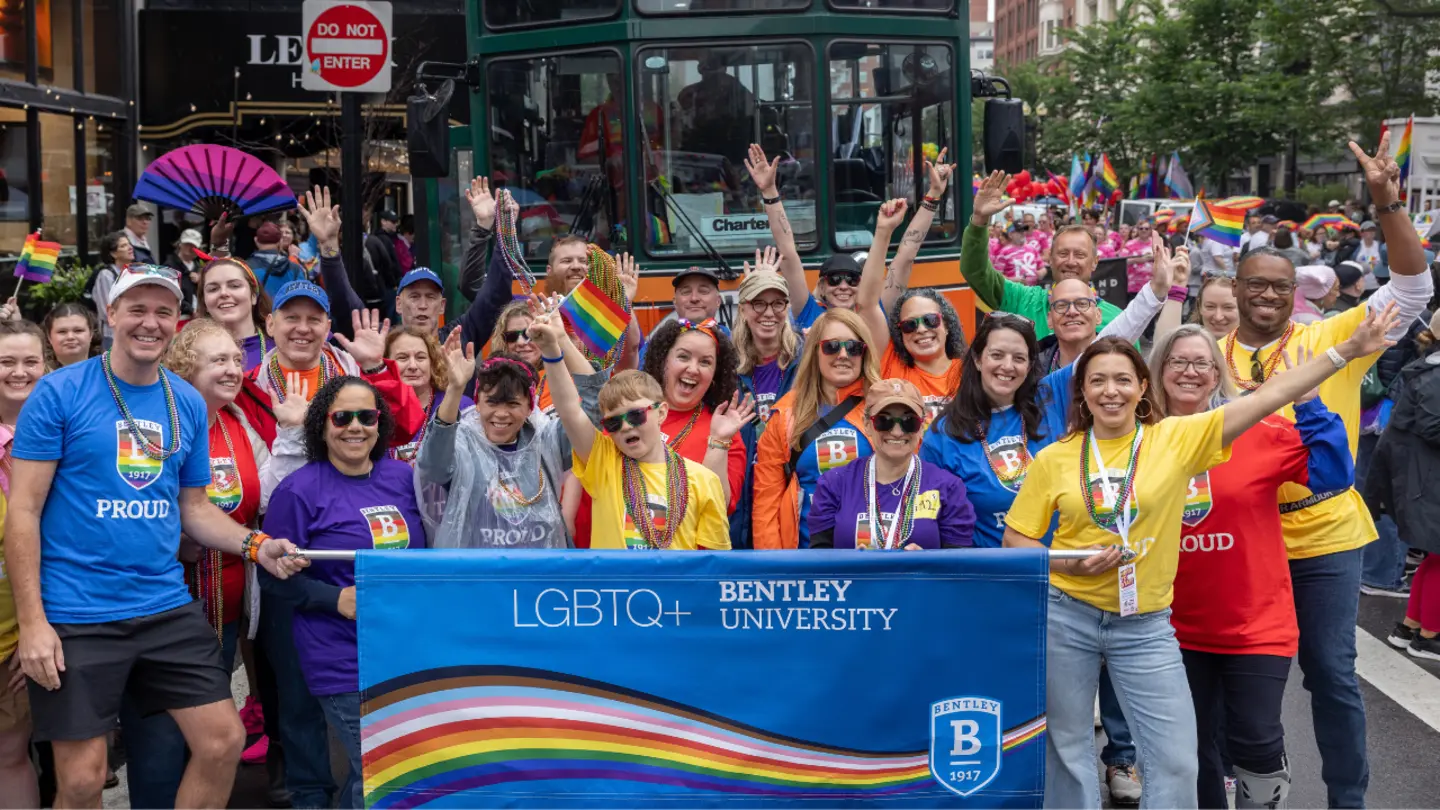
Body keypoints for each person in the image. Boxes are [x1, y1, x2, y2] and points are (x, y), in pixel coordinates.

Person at [1003, 307, 1396, 809]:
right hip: (1075, 615)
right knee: (1070, 747)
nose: (1110, 390)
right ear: (1082, 391)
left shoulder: (1178, 438)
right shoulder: (1058, 456)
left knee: (1183, 759)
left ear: (1142, 387)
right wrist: (1063, 562)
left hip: (1155, 625)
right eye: (1097, 380)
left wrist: (1342, 353)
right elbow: (1018, 538)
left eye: (1123, 379)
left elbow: (1274, 397)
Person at [7, 264, 307, 808]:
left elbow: (193, 509)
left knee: (222, 741)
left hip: (164, 604)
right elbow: (23, 511)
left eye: (163, 311)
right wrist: (34, 624)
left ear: (177, 321)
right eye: (137, 310)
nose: (150, 322)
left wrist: (255, 544)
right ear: (111, 315)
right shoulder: (58, 392)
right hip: (77, 611)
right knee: (80, 780)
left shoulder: (186, 402)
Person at [1216, 136, 1433, 809]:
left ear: (1294, 293)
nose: (1268, 296)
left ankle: (1348, 799)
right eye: (1255, 284)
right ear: (1233, 289)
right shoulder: (1202, 356)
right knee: (1240, 676)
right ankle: (1252, 787)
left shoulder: (1331, 339)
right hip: (1241, 542)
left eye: (1279, 287)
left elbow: (1414, 287)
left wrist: (1387, 202)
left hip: (1325, 536)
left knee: (1333, 675)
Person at [1151, 325, 1355, 809]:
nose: (1190, 372)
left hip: (1255, 624)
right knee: (1191, 746)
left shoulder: (1257, 429)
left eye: (1202, 363)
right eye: (1178, 361)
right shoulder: (1140, 439)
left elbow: (1333, 475)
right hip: (1169, 625)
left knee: (1257, 740)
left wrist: (1308, 403)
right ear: (1158, 372)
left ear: (1217, 374)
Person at [122, 319, 307, 808]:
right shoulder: (157, 424)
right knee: (161, 743)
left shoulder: (238, 423)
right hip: (161, 608)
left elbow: (263, 493)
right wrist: (176, 536)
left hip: (225, 610)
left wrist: (290, 434)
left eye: (234, 359)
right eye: (217, 360)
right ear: (185, 366)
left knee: (208, 742)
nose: (232, 369)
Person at [262, 377, 425, 810]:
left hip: (402, 651)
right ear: (321, 425)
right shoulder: (297, 491)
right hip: (339, 657)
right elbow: (271, 579)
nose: (356, 427)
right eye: (342, 417)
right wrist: (334, 600)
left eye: (367, 416)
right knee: (384, 770)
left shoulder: (403, 476)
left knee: (374, 774)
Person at [545, 296, 731, 550]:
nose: (625, 427)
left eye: (635, 416)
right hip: (617, 590)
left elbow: (712, 564)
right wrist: (551, 349)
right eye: (613, 424)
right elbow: (570, 411)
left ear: (661, 413)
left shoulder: (703, 480)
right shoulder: (605, 463)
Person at [418, 312, 602, 549]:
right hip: (483, 579)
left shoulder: (546, 437)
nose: (502, 414)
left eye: (513, 404)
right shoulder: (463, 441)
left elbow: (594, 412)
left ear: (529, 407)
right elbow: (432, 468)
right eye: (492, 402)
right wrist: (454, 388)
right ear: (477, 403)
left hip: (540, 576)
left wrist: (562, 341)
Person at [237, 280, 424, 449]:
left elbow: (403, 430)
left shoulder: (356, 374)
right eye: (291, 318)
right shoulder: (248, 389)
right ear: (270, 324)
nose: (303, 328)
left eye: (314, 319)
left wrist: (375, 366)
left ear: (327, 328)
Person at [752, 309, 880, 549]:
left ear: (864, 353)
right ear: (815, 351)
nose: (843, 355)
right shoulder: (785, 414)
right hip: (807, 556)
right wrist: (772, 566)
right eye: (831, 346)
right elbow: (766, 502)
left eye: (853, 347)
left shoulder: (884, 406)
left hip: (873, 559)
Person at [809, 378, 975, 549]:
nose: (897, 432)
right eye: (884, 421)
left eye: (909, 421)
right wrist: (854, 567)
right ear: (867, 424)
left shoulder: (949, 488)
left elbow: (957, 568)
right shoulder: (834, 484)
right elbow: (820, 565)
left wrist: (927, 565)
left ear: (921, 426)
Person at [964, 172, 1123, 337]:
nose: (1070, 261)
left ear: (1095, 262)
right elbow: (976, 272)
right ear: (1051, 260)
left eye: (1080, 255)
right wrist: (979, 219)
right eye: (1062, 253)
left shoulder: (1116, 320)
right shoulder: (1023, 300)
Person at [1366, 311, 1440, 661]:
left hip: (1421, 478)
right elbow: (1433, 428)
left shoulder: (1428, 367)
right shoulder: (1437, 375)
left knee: (1434, 557)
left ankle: (1411, 627)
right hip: (1428, 480)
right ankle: (1429, 637)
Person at [0, 320, 46, 808]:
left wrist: (36, 625)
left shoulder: (67, 437)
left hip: (30, 631)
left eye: (30, 361)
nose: (19, 372)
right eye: (5, 362)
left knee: (16, 753)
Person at [638, 319, 752, 508]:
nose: (693, 369)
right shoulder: (632, 413)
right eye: (683, 357)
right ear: (663, 360)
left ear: (715, 375)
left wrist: (718, 442)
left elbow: (719, 507)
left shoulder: (725, 432)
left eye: (705, 362)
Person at [745, 144, 861, 329]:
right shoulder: (808, 311)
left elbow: (903, 259)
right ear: (821, 287)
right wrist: (769, 193)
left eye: (852, 279)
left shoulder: (872, 312)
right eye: (834, 279)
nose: (844, 286)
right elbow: (787, 252)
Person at [384, 326, 473, 464]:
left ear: (432, 363)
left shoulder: (462, 405)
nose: (413, 366)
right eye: (402, 357)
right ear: (387, 363)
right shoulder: (376, 409)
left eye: (420, 357)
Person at [87, 231, 134, 345]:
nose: (130, 248)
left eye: (129, 244)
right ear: (113, 254)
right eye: (123, 246)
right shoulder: (106, 275)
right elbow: (106, 310)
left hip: (130, 332)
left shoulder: (131, 273)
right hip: (112, 335)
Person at [248, 222, 306, 301]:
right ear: (280, 241)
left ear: (256, 240)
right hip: (286, 312)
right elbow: (303, 297)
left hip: (259, 312)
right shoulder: (295, 269)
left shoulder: (245, 268)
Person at [42, 302, 99, 367]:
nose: (70, 337)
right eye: (62, 332)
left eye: (78, 330)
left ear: (91, 334)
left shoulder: (107, 371)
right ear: (49, 337)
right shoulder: (40, 375)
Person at [164, 229, 205, 316]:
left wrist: (201, 281)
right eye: (187, 244)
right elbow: (170, 294)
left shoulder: (198, 267)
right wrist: (191, 311)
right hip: (179, 316)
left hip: (198, 316)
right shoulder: (170, 266)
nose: (190, 248)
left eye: (194, 246)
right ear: (180, 244)